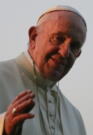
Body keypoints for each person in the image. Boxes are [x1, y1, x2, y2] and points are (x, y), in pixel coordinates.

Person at [0, 5, 87, 135]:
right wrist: (4, 129)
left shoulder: (74, 117)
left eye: (74, 46)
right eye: (58, 38)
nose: (64, 53)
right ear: (34, 37)